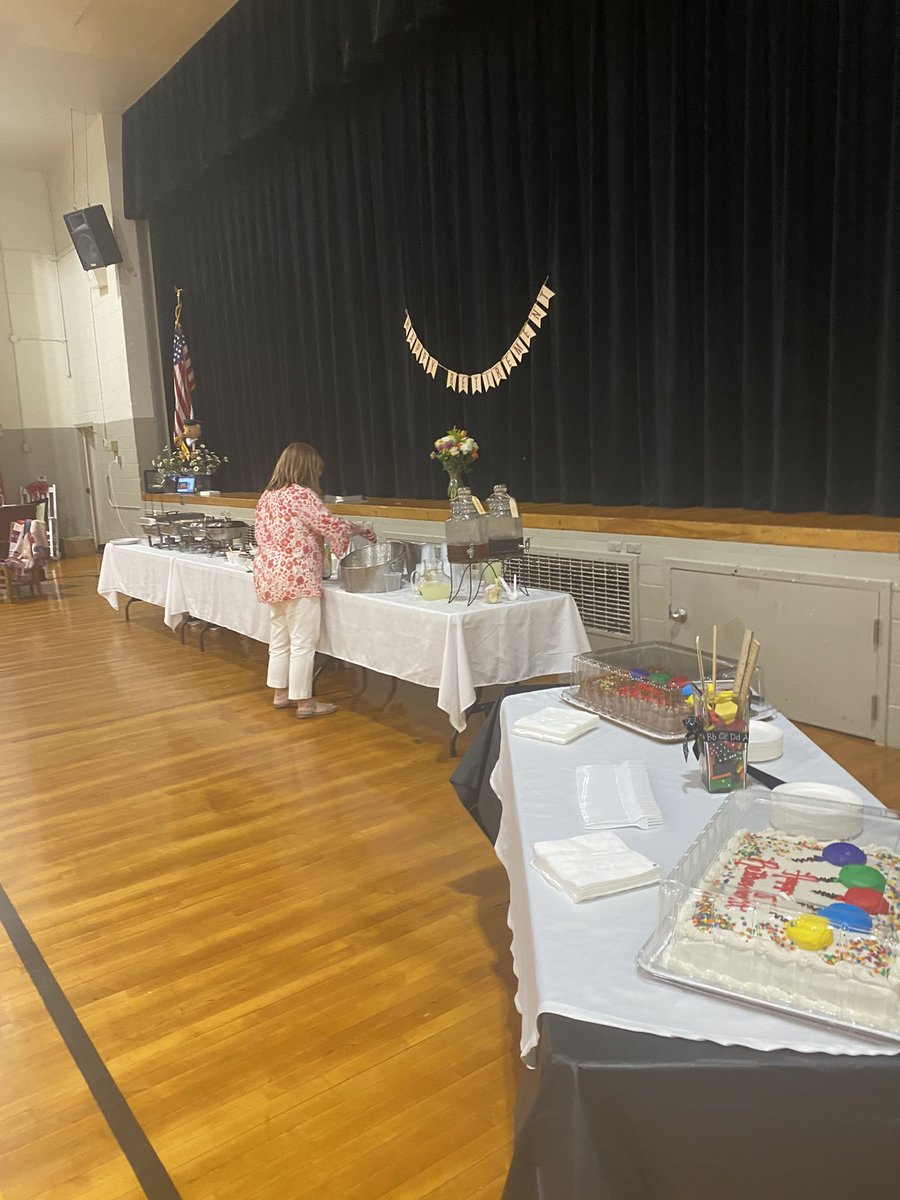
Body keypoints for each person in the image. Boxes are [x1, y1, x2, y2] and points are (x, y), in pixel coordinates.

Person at [253, 442, 375, 718]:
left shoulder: (267, 497)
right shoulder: (302, 495)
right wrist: (358, 529)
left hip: (269, 576)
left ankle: (280, 693)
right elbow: (328, 525)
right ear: (309, 468)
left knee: (280, 637)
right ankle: (305, 702)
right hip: (296, 577)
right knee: (302, 641)